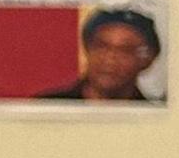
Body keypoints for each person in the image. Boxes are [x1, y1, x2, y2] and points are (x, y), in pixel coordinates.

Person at [33, 7, 165, 102]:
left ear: (147, 59)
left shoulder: (160, 118)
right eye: (101, 47)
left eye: (125, 50)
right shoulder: (48, 105)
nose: (110, 59)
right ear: (87, 48)